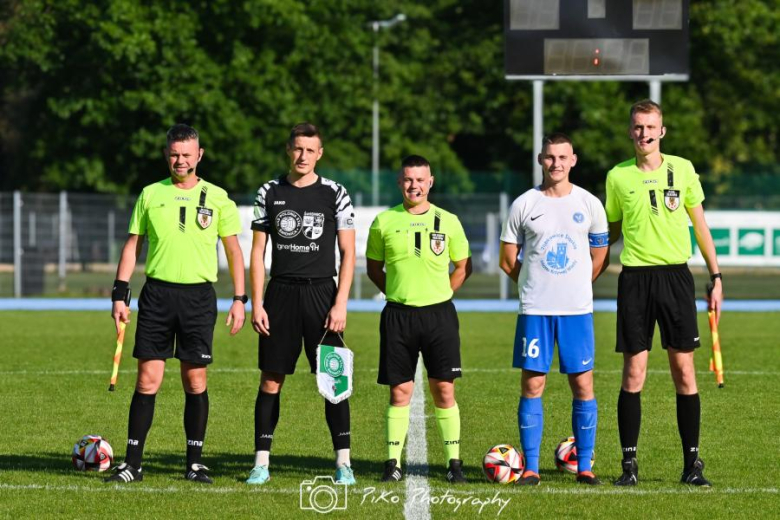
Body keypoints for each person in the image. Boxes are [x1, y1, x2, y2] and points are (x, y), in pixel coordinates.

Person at [106, 124, 247, 484]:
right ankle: (133, 464)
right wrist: (120, 293)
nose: (180, 160)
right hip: (157, 296)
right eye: (174, 154)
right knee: (147, 379)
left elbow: (233, 250)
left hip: (199, 298)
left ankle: (194, 462)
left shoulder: (217, 197)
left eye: (186, 154)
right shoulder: (151, 194)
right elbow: (132, 245)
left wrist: (239, 299)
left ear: (199, 155)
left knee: (195, 380)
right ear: (166, 154)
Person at [606, 99, 723, 487]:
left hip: (676, 278)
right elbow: (610, 234)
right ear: (630, 131)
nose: (644, 134)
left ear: (662, 131)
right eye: (638, 127)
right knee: (634, 371)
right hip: (635, 279)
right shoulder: (617, 177)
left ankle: (692, 465)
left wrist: (716, 275)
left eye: (650, 127)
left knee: (684, 371)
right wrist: (584, 264)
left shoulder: (683, 169)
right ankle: (629, 467)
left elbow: (701, 226)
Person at [246, 123, 356, 485]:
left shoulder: (335, 193)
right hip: (280, 296)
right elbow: (258, 252)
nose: (303, 156)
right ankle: (261, 462)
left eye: (310, 150)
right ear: (288, 150)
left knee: (333, 380)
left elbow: (349, 252)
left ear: (320, 153)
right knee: (271, 381)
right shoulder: (269, 191)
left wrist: (340, 303)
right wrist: (257, 303)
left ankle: (343, 464)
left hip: (323, 294)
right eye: (297, 149)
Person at [499, 133, 609, 486]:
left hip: (577, 311)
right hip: (535, 311)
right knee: (534, 383)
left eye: (562, 157)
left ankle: (586, 466)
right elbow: (507, 260)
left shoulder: (590, 203)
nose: (556, 163)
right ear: (540, 160)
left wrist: (576, 284)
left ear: (573, 160)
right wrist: (533, 284)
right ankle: (530, 467)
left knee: (583, 383)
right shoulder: (524, 204)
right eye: (550, 157)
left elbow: (600, 255)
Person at [366, 154, 472, 483]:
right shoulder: (384, 222)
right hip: (398, 315)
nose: (414, 185)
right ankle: (392, 463)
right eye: (408, 179)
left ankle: (454, 463)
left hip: (439, 315)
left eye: (420, 179)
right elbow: (373, 269)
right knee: (400, 392)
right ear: (400, 183)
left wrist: (443, 293)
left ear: (431, 182)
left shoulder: (449, 221)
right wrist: (398, 293)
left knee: (444, 390)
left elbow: (463, 266)